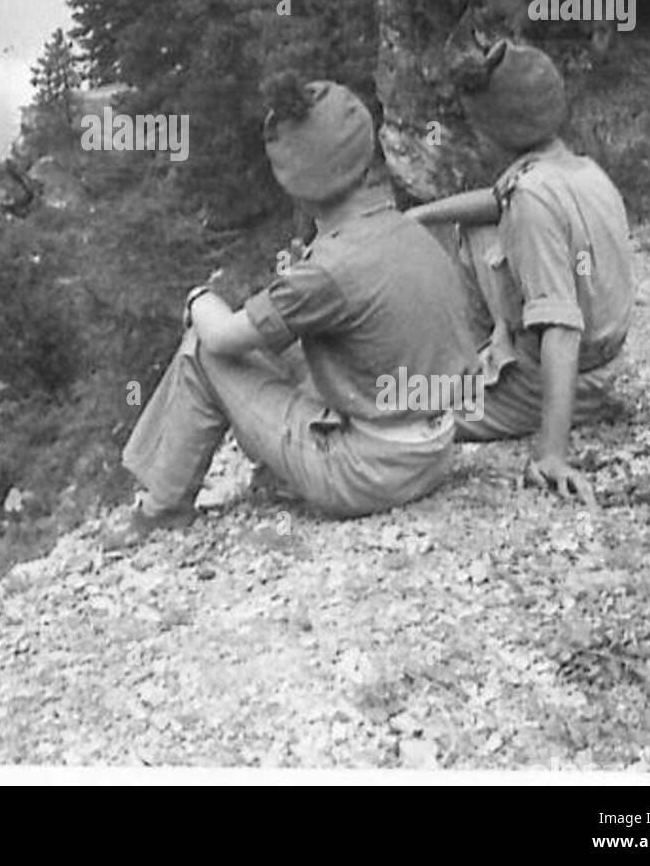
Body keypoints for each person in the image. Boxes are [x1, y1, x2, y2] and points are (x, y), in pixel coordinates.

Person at [108, 75, 478, 547]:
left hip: (368, 474)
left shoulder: (328, 269)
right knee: (279, 346)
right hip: (434, 450)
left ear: (295, 182)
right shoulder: (408, 229)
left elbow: (222, 338)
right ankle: (216, 478)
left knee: (204, 346)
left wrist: (199, 298)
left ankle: (160, 508)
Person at [407, 40, 634, 509]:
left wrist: (551, 452)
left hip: (564, 379)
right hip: (606, 360)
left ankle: (480, 382)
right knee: (473, 228)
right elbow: (497, 200)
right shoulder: (576, 170)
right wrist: (417, 217)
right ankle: (471, 359)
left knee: (403, 405)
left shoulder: (531, 202)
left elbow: (561, 328)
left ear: (496, 130)